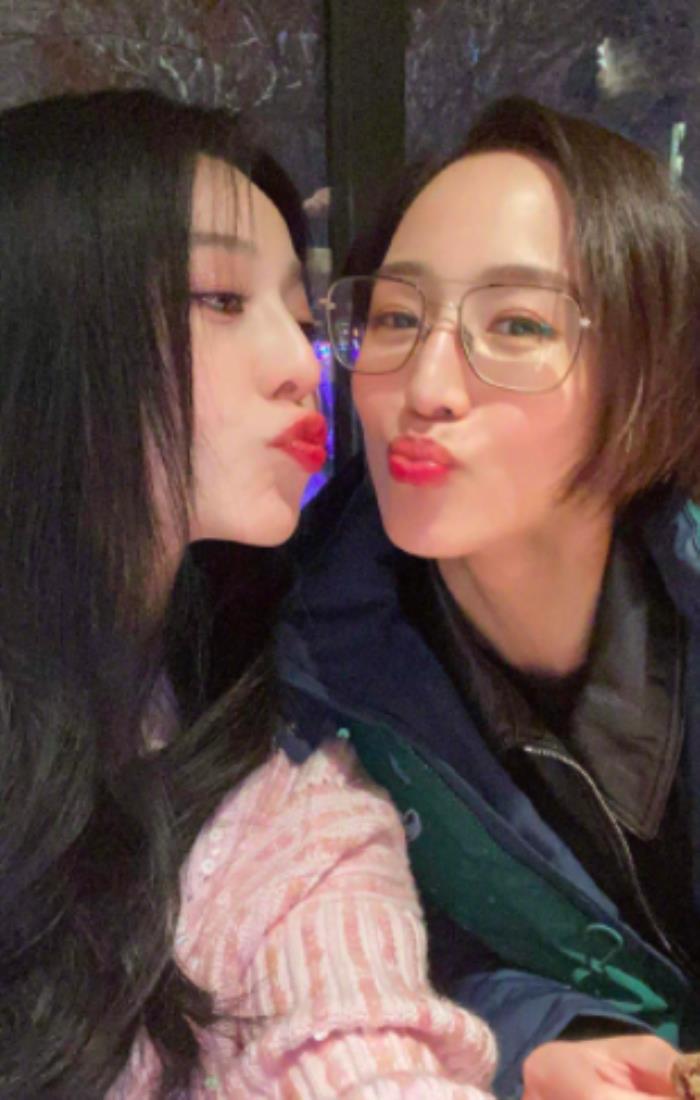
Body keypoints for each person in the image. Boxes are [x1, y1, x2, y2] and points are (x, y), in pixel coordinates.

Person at [0, 89, 497, 1099]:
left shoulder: (280, 810)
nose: (301, 365)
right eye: (222, 300)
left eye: (303, 316)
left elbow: (354, 1047)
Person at [277, 95, 700, 1099]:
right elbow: (383, 950)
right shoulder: (313, 674)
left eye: (516, 323)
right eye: (395, 317)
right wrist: (532, 1043)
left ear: (651, 366)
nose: (425, 386)